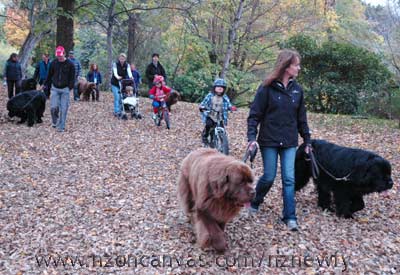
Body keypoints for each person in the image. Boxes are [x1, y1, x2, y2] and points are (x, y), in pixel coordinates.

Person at [246, 49, 312, 231]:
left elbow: (302, 119)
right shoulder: (266, 87)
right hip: (269, 140)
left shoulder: (298, 90)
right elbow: (254, 115)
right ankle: (254, 202)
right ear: (286, 66)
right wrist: (251, 138)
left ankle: (290, 217)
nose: (299, 68)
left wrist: (307, 141)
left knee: (289, 179)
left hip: (290, 142)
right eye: (296, 65)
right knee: (269, 176)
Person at [44, 46, 75, 132]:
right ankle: (55, 121)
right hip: (55, 88)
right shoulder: (53, 63)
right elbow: (49, 75)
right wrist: (45, 84)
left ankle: (61, 127)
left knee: (64, 108)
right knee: (54, 107)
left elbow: (73, 78)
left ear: (64, 54)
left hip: (65, 89)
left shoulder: (70, 64)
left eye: (60, 56)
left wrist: (70, 87)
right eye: (58, 56)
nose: (59, 58)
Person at [199, 78, 236, 146]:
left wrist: (231, 108)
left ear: (224, 89)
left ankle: (222, 143)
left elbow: (228, 104)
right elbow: (203, 103)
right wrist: (202, 107)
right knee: (209, 125)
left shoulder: (224, 97)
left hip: (220, 116)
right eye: (218, 87)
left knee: (222, 129)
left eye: (221, 88)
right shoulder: (210, 95)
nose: (219, 89)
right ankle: (205, 136)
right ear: (214, 88)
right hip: (211, 115)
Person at [110, 53, 133, 119]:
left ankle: (121, 110)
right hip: (115, 83)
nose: (121, 60)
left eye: (123, 59)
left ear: (125, 59)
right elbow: (115, 72)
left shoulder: (127, 65)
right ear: (119, 58)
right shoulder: (115, 64)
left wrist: (131, 77)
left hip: (122, 83)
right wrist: (117, 77)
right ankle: (116, 111)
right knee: (117, 97)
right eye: (120, 58)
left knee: (121, 97)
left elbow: (129, 72)